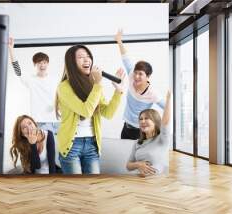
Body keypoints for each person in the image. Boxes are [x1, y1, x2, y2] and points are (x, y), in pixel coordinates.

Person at [56, 45, 125, 174]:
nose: (86, 60)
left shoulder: (94, 86)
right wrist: (98, 84)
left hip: (92, 144)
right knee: (76, 189)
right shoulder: (64, 87)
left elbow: (108, 113)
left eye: (88, 56)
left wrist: (118, 90)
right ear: (71, 63)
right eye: (81, 57)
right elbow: (86, 111)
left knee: (92, 188)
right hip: (71, 146)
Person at [115, 29, 165, 140]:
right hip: (126, 127)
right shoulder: (132, 75)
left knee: (139, 157)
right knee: (124, 155)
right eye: (135, 73)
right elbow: (125, 58)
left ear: (147, 77)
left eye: (140, 74)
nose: (136, 76)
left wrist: (156, 127)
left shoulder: (152, 93)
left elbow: (167, 107)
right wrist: (119, 40)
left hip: (141, 131)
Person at [8, 38, 59, 135]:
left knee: (58, 150)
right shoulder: (31, 79)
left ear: (47, 64)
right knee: (42, 149)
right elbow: (17, 70)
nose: (42, 65)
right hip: (40, 121)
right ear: (35, 64)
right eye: (39, 63)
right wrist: (11, 50)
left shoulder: (55, 79)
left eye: (44, 62)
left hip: (57, 121)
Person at [126, 91, 171, 177]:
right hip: (137, 180)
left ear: (155, 121)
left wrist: (168, 99)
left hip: (155, 181)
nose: (142, 121)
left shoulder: (162, 139)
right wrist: (138, 164)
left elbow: (165, 122)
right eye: (141, 119)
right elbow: (128, 165)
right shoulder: (137, 143)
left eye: (146, 118)